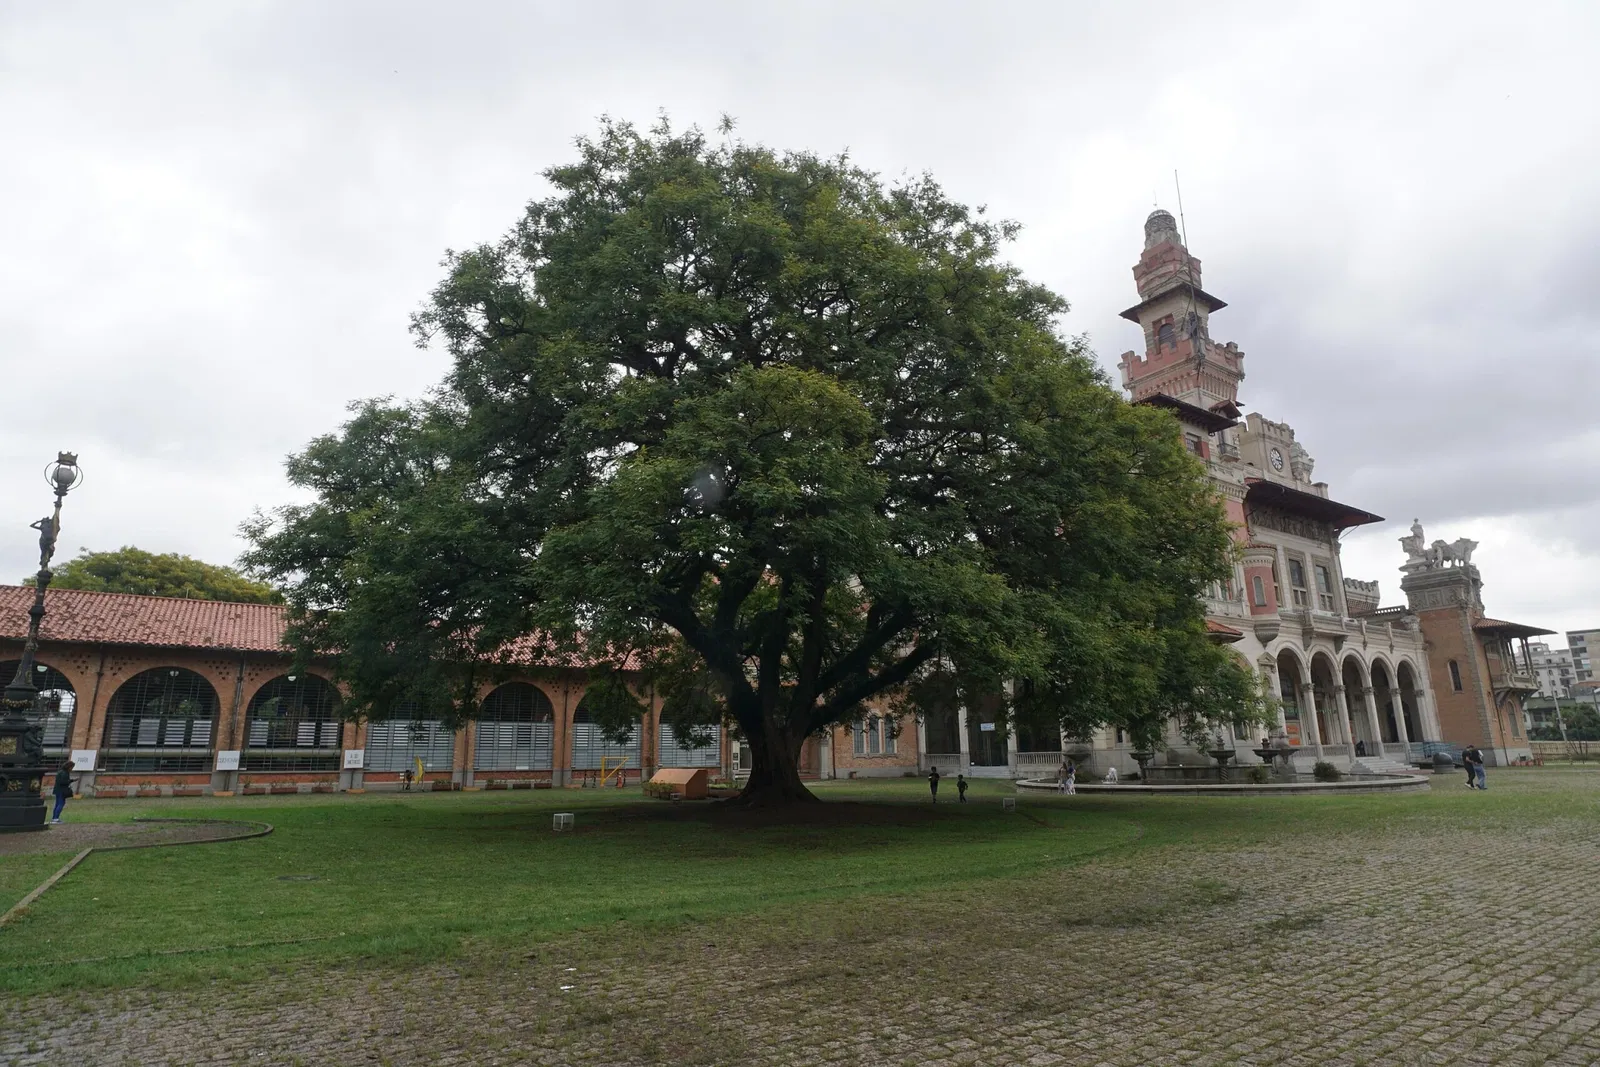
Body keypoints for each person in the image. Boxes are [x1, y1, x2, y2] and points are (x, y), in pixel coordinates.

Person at [50, 758, 75, 825]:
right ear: (69, 767)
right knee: (61, 804)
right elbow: (63, 782)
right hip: (62, 790)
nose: (72, 769)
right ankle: (56, 818)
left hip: (58, 790)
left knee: (57, 804)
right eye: (72, 767)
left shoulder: (60, 771)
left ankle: (54, 818)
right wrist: (70, 781)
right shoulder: (65, 773)